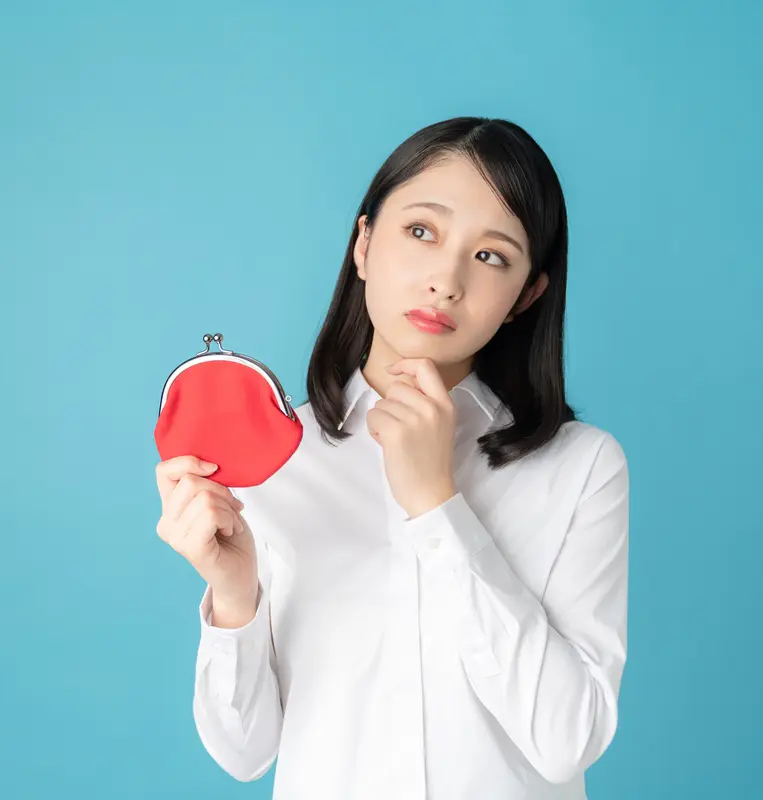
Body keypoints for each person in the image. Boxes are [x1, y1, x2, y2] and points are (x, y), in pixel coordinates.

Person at [153, 116, 630, 799]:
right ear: (364, 243)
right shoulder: (278, 458)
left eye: (491, 256)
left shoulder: (581, 469)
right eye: (421, 231)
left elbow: (568, 742)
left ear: (527, 295)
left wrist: (436, 503)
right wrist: (234, 596)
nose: (445, 280)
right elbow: (243, 754)